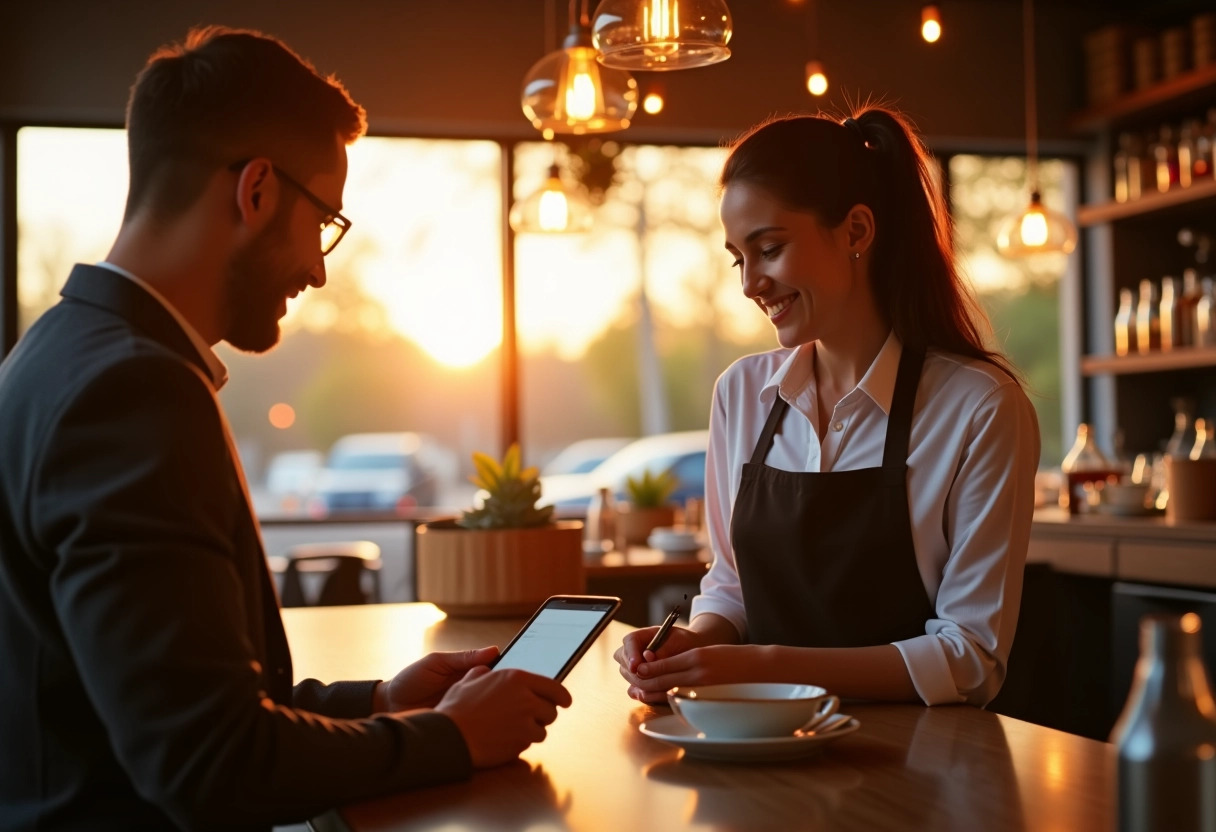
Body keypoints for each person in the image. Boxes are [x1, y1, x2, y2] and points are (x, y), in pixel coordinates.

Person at [0, 26, 570, 832]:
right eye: (325, 220)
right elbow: (207, 763)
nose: (320, 267)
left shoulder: (55, 351)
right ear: (257, 190)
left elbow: (172, 696)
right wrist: (448, 737)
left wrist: (378, 702)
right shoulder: (133, 391)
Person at [616, 107, 1040, 708]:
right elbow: (732, 587)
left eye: (769, 248)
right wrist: (689, 647)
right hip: (752, 747)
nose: (749, 284)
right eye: (739, 258)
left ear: (857, 232)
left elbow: (970, 656)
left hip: (914, 770)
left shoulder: (980, 407)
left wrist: (757, 665)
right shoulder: (741, 394)